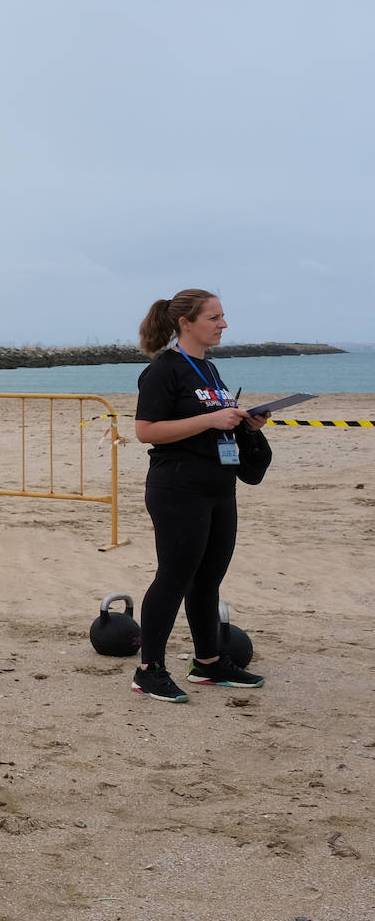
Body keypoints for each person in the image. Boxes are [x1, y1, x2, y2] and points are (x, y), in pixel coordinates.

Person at [131, 289, 268, 702]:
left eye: (223, 316)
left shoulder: (210, 371)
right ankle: (148, 670)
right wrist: (210, 418)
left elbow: (215, 423)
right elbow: (146, 430)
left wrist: (247, 424)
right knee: (173, 578)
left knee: (209, 580)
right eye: (214, 317)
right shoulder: (164, 369)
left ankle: (207, 663)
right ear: (185, 323)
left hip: (219, 486)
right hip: (177, 487)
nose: (223, 324)